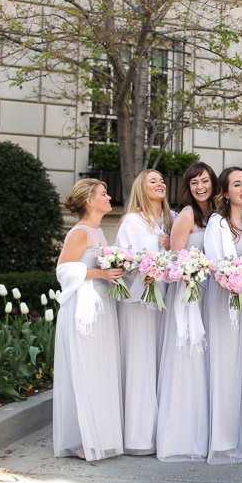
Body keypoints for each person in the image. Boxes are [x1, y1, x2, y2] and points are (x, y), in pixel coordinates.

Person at [53, 179, 124, 461]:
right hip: (83, 310)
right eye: (103, 194)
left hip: (101, 306)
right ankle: (82, 439)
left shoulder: (99, 232)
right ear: (89, 201)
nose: (109, 197)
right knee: (85, 369)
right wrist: (102, 275)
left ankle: (96, 436)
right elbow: (64, 272)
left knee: (98, 368)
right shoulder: (80, 233)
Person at [156, 163, 218, 462]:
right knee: (188, 361)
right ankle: (181, 437)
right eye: (194, 182)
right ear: (188, 187)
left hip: (212, 293)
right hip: (190, 293)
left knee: (208, 362)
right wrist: (193, 272)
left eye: (204, 180)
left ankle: (207, 432)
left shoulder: (215, 215)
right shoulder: (188, 215)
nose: (200, 186)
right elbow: (174, 261)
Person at [115, 169, 172, 455]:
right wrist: (144, 269)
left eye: (162, 180)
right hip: (138, 301)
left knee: (160, 366)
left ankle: (159, 432)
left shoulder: (169, 221)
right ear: (141, 187)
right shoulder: (132, 221)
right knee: (140, 364)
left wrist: (170, 248)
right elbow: (123, 259)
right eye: (153, 181)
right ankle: (137, 437)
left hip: (164, 303)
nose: (160, 183)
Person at [202, 167, 242, 464]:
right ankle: (221, 441)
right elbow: (215, 263)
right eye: (237, 184)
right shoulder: (218, 223)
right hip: (225, 302)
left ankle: (240, 433)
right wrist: (232, 281)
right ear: (225, 193)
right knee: (225, 366)